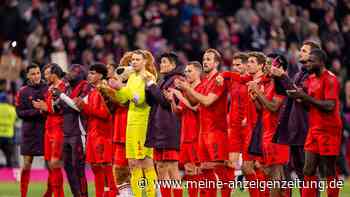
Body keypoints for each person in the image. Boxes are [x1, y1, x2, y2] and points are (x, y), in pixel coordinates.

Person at [287, 49, 342, 197]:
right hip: (314, 128)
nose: (307, 64)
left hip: (329, 130)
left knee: (328, 169)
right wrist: (300, 98)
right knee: (308, 169)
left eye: (311, 61)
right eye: (307, 61)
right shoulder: (311, 79)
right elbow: (309, 106)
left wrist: (305, 96)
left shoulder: (330, 79)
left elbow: (330, 106)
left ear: (321, 62)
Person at [176, 49, 231, 197]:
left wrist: (187, 89)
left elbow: (207, 101)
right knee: (204, 170)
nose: (205, 62)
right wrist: (183, 90)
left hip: (216, 131)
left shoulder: (219, 79)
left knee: (221, 171)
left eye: (209, 59)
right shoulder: (205, 81)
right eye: (204, 59)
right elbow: (194, 102)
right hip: (203, 131)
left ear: (216, 63)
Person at [110, 49, 158, 197]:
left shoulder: (147, 77)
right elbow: (124, 100)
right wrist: (117, 89)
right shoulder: (132, 77)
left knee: (145, 162)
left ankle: (151, 194)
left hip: (141, 123)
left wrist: (122, 89)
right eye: (133, 60)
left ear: (144, 62)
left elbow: (140, 100)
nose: (134, 62)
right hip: (131, 123)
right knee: (132, 163)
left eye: (137, 60)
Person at [249, 53, 290, 197]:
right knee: (271, 174)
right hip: (268, 133)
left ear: (280, 68)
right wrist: (255, 99)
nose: (266, 66)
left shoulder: (280, 85)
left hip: (277, 135)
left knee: (276, 176)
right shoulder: (271, 83)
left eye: (270, 64)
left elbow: (274, 107)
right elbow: (264, 108)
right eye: (266, 63)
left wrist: (257, 93)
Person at [74, 63, 118, 197]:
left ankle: (112, 193)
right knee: (95, 167)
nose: (89, 75)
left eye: (92, 73)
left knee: (105, 167)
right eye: (90, 73)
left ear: (100, 75)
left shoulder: (106, 90)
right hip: (92, 134)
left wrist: (84, 107)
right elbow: (91, 112)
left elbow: (106, 114)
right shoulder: (92, 91)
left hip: (102, 134)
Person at [144, 52, 184, 197]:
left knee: (171, 168)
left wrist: (151, 84)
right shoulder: (163, 81)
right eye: (160, 62)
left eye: (165, 62)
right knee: (160, 167)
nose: (161, 64)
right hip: (159, 130)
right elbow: (152, 102)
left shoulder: (176, 79)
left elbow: (166, 102)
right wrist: (148, 87)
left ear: (173, 65)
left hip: (169, 129)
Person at [33, 63, 67, 197]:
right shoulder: (49, 89)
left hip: (59, 128)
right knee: (49, 164)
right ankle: (50, 192)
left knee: (55, 163)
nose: (45, 76)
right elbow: (48, 109)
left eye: (47, 73)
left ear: (55, 74)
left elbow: (63, 108)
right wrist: (42, 108)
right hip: (48, 128)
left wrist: (46, 107)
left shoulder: (64, 87)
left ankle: (59, 194)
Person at [169, 61, 202, 197]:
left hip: (197, 135)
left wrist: (180, 94)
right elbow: (178, 112)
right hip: (186, 135)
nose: (186, 73)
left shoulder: (201, 88)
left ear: (198, 72)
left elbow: (196, 108)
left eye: (190, 71)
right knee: (189, 171)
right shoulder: (186, 89)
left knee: (197, 171)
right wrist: (172, 100)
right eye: (186, 71)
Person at [16, 64, 48, 197]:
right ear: (28, 76)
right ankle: (23, 194)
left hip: (45, 131)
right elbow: (20, 113)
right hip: (29, 133)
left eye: (38, 73)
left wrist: (44, 109)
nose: (36, 76)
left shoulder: (48, 89)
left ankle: (49, 192)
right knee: (27, 164)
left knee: (51, 165)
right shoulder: (22, 91)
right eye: (33, 74)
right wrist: (38, 111)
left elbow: (52, 109)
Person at [58, 64, 89, 197]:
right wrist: (56, 99)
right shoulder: (67, 87)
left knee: (78, 168)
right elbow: (61, 108)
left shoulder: (85, 86)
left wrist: (62, 97)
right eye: (69, 71)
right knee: (68, 167)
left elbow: (78, 107)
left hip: (78, 132)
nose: (69, 73)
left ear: (81, 74)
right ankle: (76, 194)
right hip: (66, 132)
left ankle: (84, 195)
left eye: (73, 71)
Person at [0, 81, 17, 168]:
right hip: (8, 137)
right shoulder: (11, 109)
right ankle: (9, 175)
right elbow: (15, 121)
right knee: (9, 158)